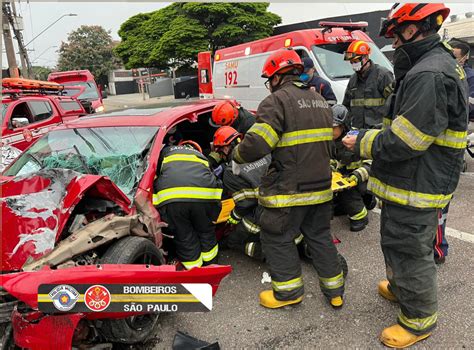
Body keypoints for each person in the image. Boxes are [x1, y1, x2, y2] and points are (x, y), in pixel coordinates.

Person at [342, 3, 468, 347]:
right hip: (411, 179)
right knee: (397, 242)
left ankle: (418, 320)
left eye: (396, 33)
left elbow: (406, 140)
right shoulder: (429, 65)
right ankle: (401, 289)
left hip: (419, 181)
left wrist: (361, 142)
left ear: (413, 28)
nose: (394, 42)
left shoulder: (429, 74)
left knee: (410, 250)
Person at [232, 48, 344, 309]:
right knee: (319, 237)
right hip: (321, 187)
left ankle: (289, 293)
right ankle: (335, 292)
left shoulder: (276, 101)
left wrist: (237, 156)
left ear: (276, 77)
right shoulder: (319, 101)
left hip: (289, 189)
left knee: (276, 236)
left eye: (269, 79)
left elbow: (259, 143)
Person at [213, 126, 304, 260]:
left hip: (263, 214)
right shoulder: (263, 152)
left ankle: (273, 254)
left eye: (220, 151)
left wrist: (234, 217)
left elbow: (245, 203)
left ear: (226, 148)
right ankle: (303, 247)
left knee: (233, 241)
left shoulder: (231, 171)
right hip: (291, 208)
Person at [153, 143, 223, 270]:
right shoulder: (201, 156)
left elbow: (155, 174)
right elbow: (213, 178)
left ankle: (194, 270)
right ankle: (211, 267)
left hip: (172, 199)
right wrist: (214, 213)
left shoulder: (164, 151)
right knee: (206, 232)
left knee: (184, 236)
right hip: (204, 197)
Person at [331, 104, 373, 232]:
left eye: (333, 127)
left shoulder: (357, 138)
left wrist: (357, 176)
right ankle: (348, 205)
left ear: (343, 126)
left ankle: (360, 217)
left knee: (347, 192)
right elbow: (331, 157)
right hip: (342, 179)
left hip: (361, 180)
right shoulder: (330, 140)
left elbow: (372, 163)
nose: (329, 131)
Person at [342, 40, 394, 129]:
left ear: (365, 57)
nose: (353, 64)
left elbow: (394, 103)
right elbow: (346, 106)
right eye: (351, 61)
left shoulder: (382, 75)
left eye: (356, 60)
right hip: (357, 132)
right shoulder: (353, 80)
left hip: (377, 132)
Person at [209, 100, 256, 169]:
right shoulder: (229, 118)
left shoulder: (249, 123)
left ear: (233, 118)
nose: (221, 127)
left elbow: (249, 151)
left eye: (223, 125)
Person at [450, 40, 474, 121]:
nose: (450, 59)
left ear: (464, 58)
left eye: (455, 57)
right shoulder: (448, 72)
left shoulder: (471, 77)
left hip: (468, 120)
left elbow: (470, 104)